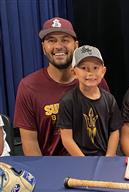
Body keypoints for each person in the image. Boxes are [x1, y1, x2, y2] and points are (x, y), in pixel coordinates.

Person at [14, 17, 109, 156]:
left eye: (65, 40)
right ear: (43, 47)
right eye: (51, 40)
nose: (58, 46)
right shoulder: (28, 86)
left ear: (76, 46)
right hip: (51, 169)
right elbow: (30, 144)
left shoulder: (96, 81)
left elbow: (106, 130)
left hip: (93, 165)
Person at [56, 45, 122, 156]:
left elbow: (114, 131)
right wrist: (84, 161)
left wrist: (108, 157)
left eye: (95, 68)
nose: (90, 73)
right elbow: (67, 139)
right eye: (84, 68)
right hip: (78, 158)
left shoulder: (109, 100)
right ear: (74, 73)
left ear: (103, 71)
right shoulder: (68, 101)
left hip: (104, 158)